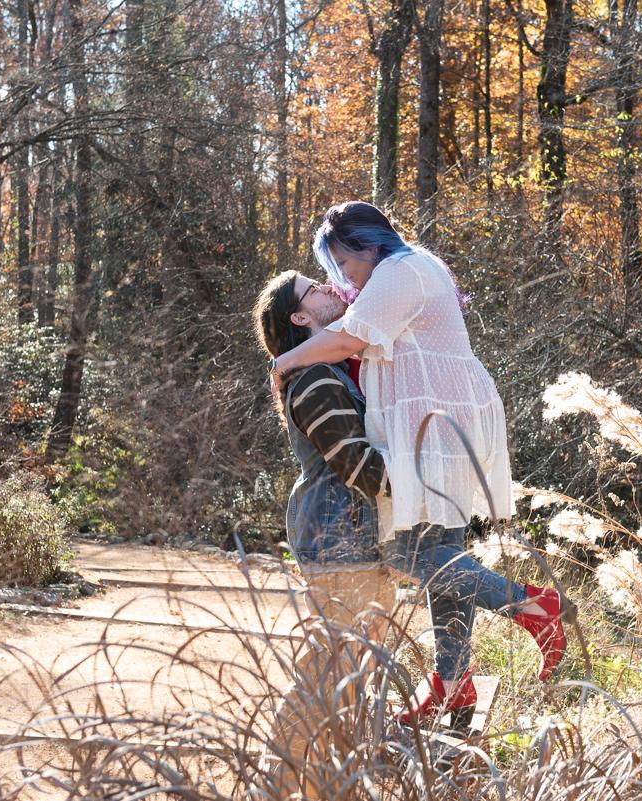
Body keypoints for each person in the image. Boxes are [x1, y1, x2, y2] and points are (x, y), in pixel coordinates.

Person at [268, 201, 571, 728]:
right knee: (442, 558)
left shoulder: (400, 269)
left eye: (344, 263)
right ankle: (453, 684)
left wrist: (284, 361)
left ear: (366, 245)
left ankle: (530, 607)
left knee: (411, 554)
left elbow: (349, 339)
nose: (343, 279)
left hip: (432, 428)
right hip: (438, 425)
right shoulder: (407, 268)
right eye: (331, 274)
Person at [253, 269, 394, 793]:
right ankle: (272, 785)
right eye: (314, 289)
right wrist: (430, 476)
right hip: (339, 537)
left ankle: (321, 784)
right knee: (326, 671)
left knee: (351, 675)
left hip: (353, 536)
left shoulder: (326, 369)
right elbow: (357, 466)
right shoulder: (314, 379)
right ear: (300, 316)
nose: (330, 288)